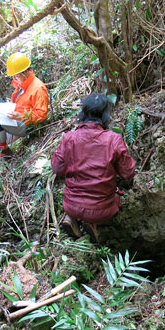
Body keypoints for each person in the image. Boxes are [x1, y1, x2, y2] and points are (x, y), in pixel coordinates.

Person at [51, 93, 135, 241]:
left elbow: (57, 168)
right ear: (105, 115)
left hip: (71, 204)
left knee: (77, 198)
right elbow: (128, 172)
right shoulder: (113, 139)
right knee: (117, 197)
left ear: (83, 113)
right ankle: (92, 223)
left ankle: (72, 218)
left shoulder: (69, 138)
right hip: (102, 209)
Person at [0, 52, 49, 162]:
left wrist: (20, 116)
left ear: (25, 72)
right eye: (13, 76)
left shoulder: (37, 88)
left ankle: (5, 152)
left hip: (29, 126)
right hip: (17, 120)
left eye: (16, 76)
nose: (14, 79)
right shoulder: (22, 85)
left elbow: (41, 114)